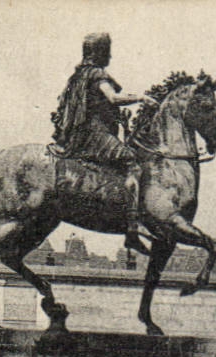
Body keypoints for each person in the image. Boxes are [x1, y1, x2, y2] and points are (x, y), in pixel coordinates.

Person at [51, 32, 154, 249]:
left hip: (80, 135)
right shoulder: (97, 75)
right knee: (133, 162)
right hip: (96, 135)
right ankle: (133, 227)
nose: (110, 55)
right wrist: (141, 98)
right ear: (99, 52)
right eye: (107, 50)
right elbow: (113, 98)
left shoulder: (78, 76)